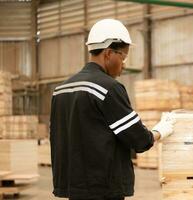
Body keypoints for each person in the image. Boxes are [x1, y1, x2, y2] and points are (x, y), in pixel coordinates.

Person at [49, 19, 175, 200]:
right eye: (123, 57)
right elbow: (139, 140)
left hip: (74, 188)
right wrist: (159, 131)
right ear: (108, 53)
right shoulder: (108, 88)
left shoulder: (61, 90)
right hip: (103, 190)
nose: (124, 64)